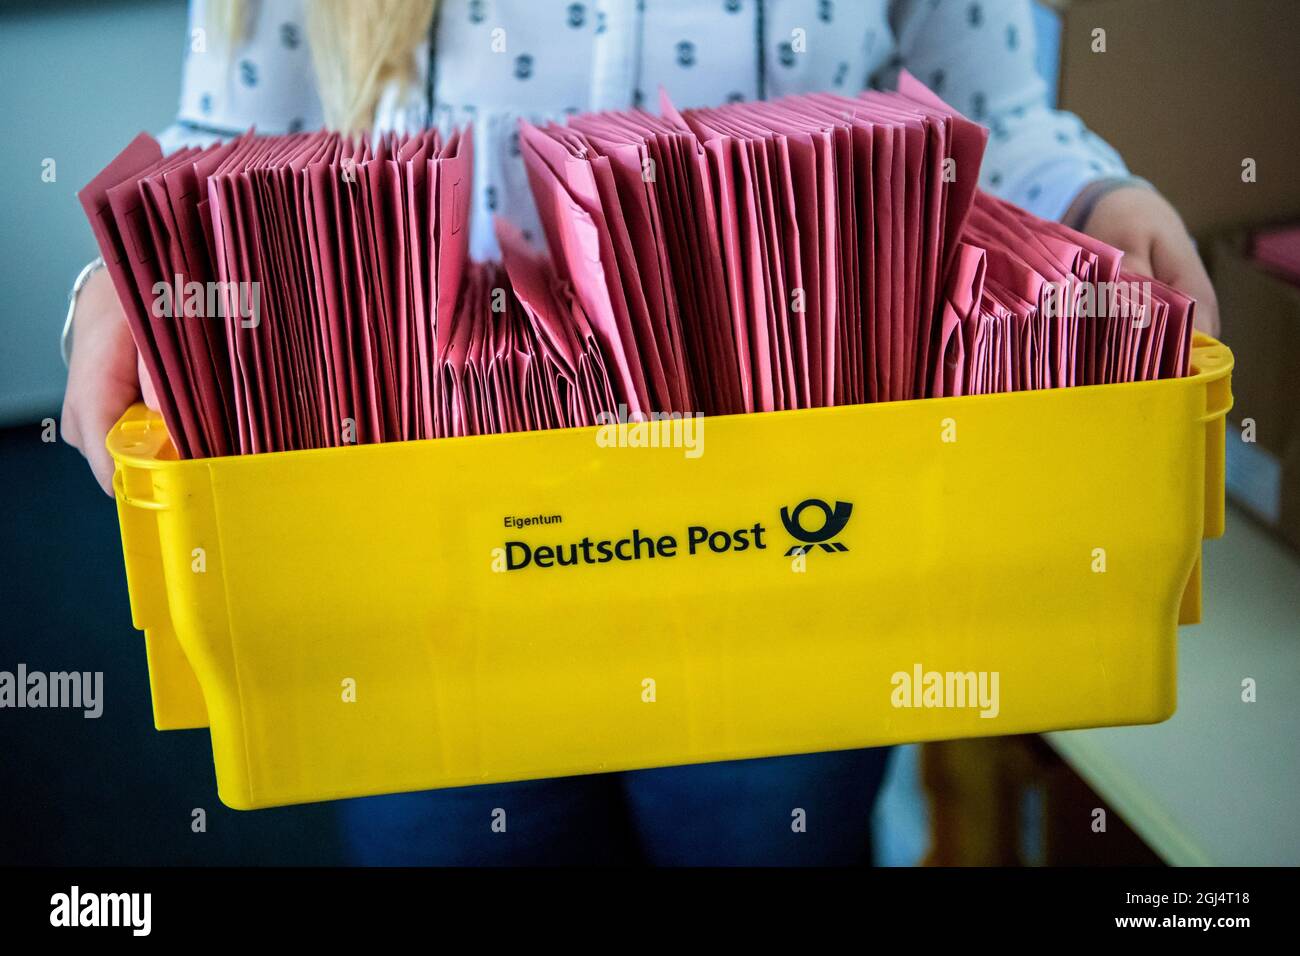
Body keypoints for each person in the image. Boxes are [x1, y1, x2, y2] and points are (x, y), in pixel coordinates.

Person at [59, 0, 1219, 865]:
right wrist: (122, 281)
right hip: (423, 574)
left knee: (771, 837)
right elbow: (225, 146)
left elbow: (991, 112)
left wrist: (1091, 202)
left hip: (796, 551)